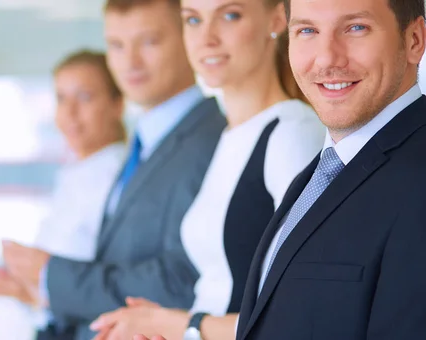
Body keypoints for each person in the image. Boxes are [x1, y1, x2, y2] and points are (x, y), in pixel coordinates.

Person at [90, 0, 325, 339]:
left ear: (277, 17)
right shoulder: (230, 136)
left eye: (230, 16)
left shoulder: (291, 134)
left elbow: (304, 315)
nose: (207, 38)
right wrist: (157, 321)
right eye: (193, 20)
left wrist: (177, 325)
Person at [0, 1, 226, 339]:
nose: (130, 63)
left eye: (149, 42)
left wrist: (53, 277)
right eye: (117, 46)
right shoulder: (143, 144)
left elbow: (183, 278)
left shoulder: (214, 140)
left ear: (187, 35)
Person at [232, 0, 426, 339]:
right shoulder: (319, 173)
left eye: (355, 28)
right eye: (307, 31)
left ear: (414, 40)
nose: (326, 59)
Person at [0, 49, 127, 327]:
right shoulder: (75, 173)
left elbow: (106, 286)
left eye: (85, 97)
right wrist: (24, 288)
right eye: (61, 98)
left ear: (118, 104)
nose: (70, 113)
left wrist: (40, 287)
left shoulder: (120, 177)